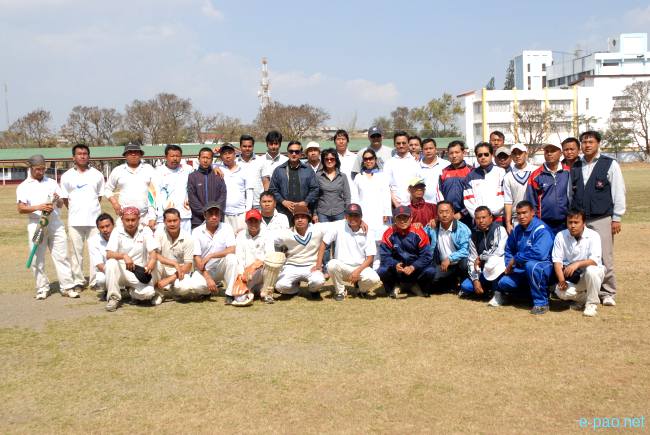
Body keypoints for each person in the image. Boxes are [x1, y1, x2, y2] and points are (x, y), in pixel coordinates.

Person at [570, 130, 626, 306]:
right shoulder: (576, 166)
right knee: (582, 255)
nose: (587, 145)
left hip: (602, 218)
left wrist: (616, 217)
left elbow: (618, 191)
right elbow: (571, 194)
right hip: (581, 219)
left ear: (598, 143)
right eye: (584, 142)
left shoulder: (609, 164)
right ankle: (586, 291)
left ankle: (607, 292)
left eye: (591, 142)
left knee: (605, 257)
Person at [17, 154, 78, 300]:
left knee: (62, 255)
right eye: (37, 169)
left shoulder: (51, 182)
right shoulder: (23, 186)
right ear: (31, 168)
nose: (40, 172)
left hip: (55, 223)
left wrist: (57, 199)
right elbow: (21, 208)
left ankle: (67, 287)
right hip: (37, 224)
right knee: (37, 258)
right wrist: (39, 207)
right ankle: (42, 288)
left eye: (43, 169)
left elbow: (60, 204)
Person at [492, 201, 554, 315]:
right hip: (522, 269)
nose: (521, 216)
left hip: (544, 266)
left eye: (525, 213)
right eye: (519, 213)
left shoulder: (541, 229)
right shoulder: (517, 230)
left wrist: (516, 259)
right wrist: (509, 265)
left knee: (532, 266)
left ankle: (542, 303)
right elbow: (509, 249)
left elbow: (540, 254)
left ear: (532, 213)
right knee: (504, 283)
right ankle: (527, 295)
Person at [59, 143, 105, 291]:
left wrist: (90, 209)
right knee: (75, 253)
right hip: (75, 220)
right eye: (79, 154)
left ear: (89, 156)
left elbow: (99, 197)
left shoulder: (97, 175)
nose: (82, 156)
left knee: (95, 251)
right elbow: (65, 199)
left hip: (94, 221)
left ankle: (95, 281)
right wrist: (75, 210)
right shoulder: (66, 176)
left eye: (85, 154)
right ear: (73, 157)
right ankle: (78, 281)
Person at [318, 204, 381, 301]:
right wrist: (318, 264)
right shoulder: (338, 225)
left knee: (374, 279)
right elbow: (323, 243)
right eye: (350, 215)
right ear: (345, 216)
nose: (353, 218)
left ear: (361, 217)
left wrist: (357, 271)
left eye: (356, 215)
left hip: (360, 267)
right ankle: (340, 291)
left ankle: (360, 289)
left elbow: (370, 258)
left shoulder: (368, 231)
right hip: (342, 267)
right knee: (331, 264)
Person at [104, 207, 159, 311]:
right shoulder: (117, 231)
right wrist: (124, 256)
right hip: (121, 271)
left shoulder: (145, 230)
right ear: (122, 220)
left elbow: (153, 251)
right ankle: (113, 298)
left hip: (138, 272)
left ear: (138, 219)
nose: (130, 223)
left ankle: (132, 293)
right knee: (111, 263)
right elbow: (109, 254)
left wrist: (152, 261)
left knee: (148, 294)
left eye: (133, 220)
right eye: (127, 220)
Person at [552, 209, 605, 317]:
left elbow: (594, 261)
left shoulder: (594, 235)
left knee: (591, 270)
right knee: (559, 291)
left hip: (592, 273)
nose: (572, 226)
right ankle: (586, 299)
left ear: (584, 223)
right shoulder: (560, 236)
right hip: (575, 278)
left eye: (576, 222)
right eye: (570, 222)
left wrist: (576, 264)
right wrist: (562, 281)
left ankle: (591, 304)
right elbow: (557, 261)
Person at [378, 206, 436, 298]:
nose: (402, 221)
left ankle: (419, 287)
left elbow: (427, 256)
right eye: (399, 218)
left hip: (415, 270)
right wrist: (395, 264)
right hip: (397, 271)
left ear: (411, 218)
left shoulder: (419, 232)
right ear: (394, 220)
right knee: (382, 270)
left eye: (405, 217)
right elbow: (384, 256)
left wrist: (413, 267)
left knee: (431, 271)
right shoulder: (388, 233)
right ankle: (393, 288)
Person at [272, 204, 327, 299]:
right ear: (293, 220)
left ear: (308, 219)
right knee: (280, 286)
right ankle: (294, 289)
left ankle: (313, 290)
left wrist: (319, 264)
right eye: (297, 218)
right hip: (292, 266)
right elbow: (270, 240)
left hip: (311, 266)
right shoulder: (286, 233)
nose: (300, 220)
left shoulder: (317, 229)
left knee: (318, 281)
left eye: (303, 217)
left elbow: (336, 227)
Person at [190, 202, 239, 304]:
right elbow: (197, 258)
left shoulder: (226, 227)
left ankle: (230, 294)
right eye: (211, 214)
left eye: (217, 214)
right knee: (195, 286)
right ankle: (208, 290)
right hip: (205, 270)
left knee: (232, 258)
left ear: (220, 215)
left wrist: (211, 255)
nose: (214, 217)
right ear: (205, 215)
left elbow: (232, 249)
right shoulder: (196, 232)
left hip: (221, 267)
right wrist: (208, 278)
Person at [353, 148, 392, 268]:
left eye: (371, 158)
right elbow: (355, 198)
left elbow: (386, 194)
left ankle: (378, 265)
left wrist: (386, 212)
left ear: (375, 159)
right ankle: (366, 266)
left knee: (380, 240)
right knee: (366, 240)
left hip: (380, 213)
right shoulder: (358, 177)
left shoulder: (382, 176)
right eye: (366, 159)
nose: (368, 161)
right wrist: (357, 216)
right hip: (365, 214)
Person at [459, 206, 507, 298]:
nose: (481, 221)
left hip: (497, 269)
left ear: (491, 218)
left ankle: (497, 292)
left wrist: (481, 257)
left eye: (484, 217)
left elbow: (498, 251)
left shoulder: (499, 229)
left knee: (494, 261)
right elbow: (472, 260)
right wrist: (475, 280)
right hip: (482, 271)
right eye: (478, 218)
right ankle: (485, 290)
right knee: (466, 286)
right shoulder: (473, 237)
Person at [105, 142, 156, 228]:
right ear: (125, 155)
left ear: (140, 154)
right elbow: (107, 189)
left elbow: (154, 194)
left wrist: (152, 217)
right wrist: (115, 203)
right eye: (130, 152)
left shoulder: (149, 169)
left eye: (136, 152)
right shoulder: (118, 170)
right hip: (124, 217)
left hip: (145, 217)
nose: (133, 154)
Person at [424, 201, 471, 293]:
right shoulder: (433, 226)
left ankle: (463, 280)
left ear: (453, 213)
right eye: (441, 212)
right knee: (431, 279)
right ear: (437, 215)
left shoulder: (462, 229)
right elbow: (420, 235)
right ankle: (451, 282)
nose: (444, 215)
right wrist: (417, 226)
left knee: (465, 263)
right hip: (443, 265)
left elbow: (465, 250)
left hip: (459, 262)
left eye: (447, 212)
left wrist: (450, 259)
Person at [153, 208, 197, 302]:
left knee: (185, 287)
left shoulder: (188, 238)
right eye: (169, 221)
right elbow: (154, 255)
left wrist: (169, 279)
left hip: (179, 271)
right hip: (162, 268)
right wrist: (174, 263)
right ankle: (159, 294)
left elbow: (188, 265)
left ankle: (174, 291)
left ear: (180, 220)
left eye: (175, 220)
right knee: (154, 263)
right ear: (164, 222)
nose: (172, 224)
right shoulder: (159, 233)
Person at [269, 140, 319, 223]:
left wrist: (305, 202)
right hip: (283, 212)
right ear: (287, 153)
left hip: (303, 212)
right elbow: (272, 189)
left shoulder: (308, 170)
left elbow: (315, 189)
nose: (294, 154)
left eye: (297, 151)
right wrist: (283, 201)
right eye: (291, 151)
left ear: (301, 154)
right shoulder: (279, 170)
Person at [526, 143, 571, 235]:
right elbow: (531, 201)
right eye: (547, 151)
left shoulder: (568, 172)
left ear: (560, 153)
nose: (549, 154)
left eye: (553, 151)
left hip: (566, 222)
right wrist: (534, 222)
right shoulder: (535, 176)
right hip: (544, 223)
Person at [235, 208, 275, 304]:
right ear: (246, 222)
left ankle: (266, 291)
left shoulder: (267, 234)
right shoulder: (240, 235)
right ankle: (253, 290)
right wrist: (241, 274)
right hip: (246, 274)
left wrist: (255, 266)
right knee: (240, 299)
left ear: (260, 221)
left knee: (273, 265)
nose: (253, 224)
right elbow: (239, 258)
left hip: (262, 272)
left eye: (256, 221)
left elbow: (270, 256)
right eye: (250, 221)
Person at [152, 144, 192, 234]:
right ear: (166, 157)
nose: (175, 158)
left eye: (178, 156)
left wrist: (214, 168)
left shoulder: (188, 169)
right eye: (172, 156)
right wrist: (152, 217)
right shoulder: (157, 172)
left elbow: (203, 170)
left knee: (184, 241)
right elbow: (152, 196)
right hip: (164, 218)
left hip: (184, 217)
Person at [463, 142, 506, 224]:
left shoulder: (501, 172)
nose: (483, 157)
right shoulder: (470, 176)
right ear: (476, 157)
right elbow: (468, 201)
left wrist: (489, 215)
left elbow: (503, 196)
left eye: (486, 154)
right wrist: (481, 216)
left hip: (497, 220)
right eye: (480, 155)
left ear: (492, 155)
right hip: (479, 222)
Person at [215, 143, 253, 234]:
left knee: (241, 238)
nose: (227, 156)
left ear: (235, 154)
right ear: (221, 156)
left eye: (230, 153)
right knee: (227, 239)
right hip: (224, 214)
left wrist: (247, 212)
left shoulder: (244, 169)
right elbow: (201, 164)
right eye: (224, 153)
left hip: (241, 214)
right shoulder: (218, 168)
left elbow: (249, 191)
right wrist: (213, 156)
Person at [187, 147, 227, 229]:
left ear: (212, 160)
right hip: (198, 220)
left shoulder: (218, 175)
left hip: (215, 218)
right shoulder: (192, 176)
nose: (205, 160)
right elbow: (192, 197)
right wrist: (205, 213)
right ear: (199, 159)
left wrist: (213, 213)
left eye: (208, 158)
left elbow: (223, 195)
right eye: (203, 157)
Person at [503, 143, 538, 234]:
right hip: (517, 218)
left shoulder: (536, 171)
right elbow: (508, 201)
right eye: (514, 154)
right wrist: (508, 223)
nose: (517, 156)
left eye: (520, 153)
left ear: (526, 154)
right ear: (511, 156)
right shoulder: (508, 176)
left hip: (535, 216)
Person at [439, 140, 473, 227]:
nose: (454, 156)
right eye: (451, 153)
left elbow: (475, 197)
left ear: (463, 153)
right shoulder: (443, 172)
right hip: (448, 216)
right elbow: (440, 194)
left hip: (468, 216)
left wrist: (462, 213)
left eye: (457, 152)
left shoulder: (471, 171)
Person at [384, 130, 421, 207]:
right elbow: (386, 186)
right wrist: (395, 203)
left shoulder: (416, 161)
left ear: (408, 144)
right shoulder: (389, 163)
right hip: (395, 206)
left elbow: (419, 183)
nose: (401, 145)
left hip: (414, 204)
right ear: (394, 144)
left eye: (404, 143)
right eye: (398, 143)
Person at [314, 148, 351, 223]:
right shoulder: (318, 176)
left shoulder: (342, 176)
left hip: (340, 212)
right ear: (323, 161)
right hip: (323, 213)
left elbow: (347, 196)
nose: (329, 161)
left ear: (336, 160)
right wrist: (314, 213)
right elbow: (315, 196)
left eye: (332, 159)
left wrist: (347, 212)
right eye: (326, 159)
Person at [88, 213, 115, 299]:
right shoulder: (93, 241)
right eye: (102, 227)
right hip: (106, 271)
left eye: (107, 226)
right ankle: (109, 290)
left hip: (123, 270)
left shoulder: (121, 236)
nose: (105, 229)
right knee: (101, 280)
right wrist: (113, 274)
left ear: (113, 225)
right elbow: (99, 265)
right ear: (98, 228)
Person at [236, 134, 265, 209]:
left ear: (253, 147)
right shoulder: (235, 162)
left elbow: (266, 181)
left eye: (250, 146)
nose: (247, 148)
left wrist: (266, 199)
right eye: (244, 146)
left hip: (258, 203)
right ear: (240, 147)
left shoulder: (261, 161)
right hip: (240, 204)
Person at [418, 138, 449, 204]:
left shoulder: (446, 164)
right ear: (422, 150)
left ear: (435, 149)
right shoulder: (417, 166)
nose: (428, 151)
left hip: (443, 205)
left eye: (431, 148)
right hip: (424, 205)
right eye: (426, 149)